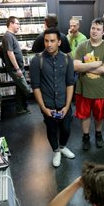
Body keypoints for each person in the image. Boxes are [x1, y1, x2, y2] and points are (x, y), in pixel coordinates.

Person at [30, 28, 76, 168]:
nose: (49, 44)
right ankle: (56, 151)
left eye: (52, 41)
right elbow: (36, 87)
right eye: (46, 41)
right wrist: (44, 108)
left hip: (64, 103)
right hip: (48, 104)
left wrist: (67, 106)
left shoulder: (67, 59)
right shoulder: (37, 61)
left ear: (59, 42)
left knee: (66, 129)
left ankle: (62, 146)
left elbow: (70, 84)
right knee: (51, 130)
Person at [74, 18, 104, 150]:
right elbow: (75, 66)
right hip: (83, 89)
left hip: (99, 90)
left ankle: (98, 135)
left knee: (99, 116)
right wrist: (95, 64)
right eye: (93, 28)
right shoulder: (82, 46)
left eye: (98, 29)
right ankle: (85, 137)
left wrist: (85, 66)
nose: (94, 31)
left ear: (103, 32)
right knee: (84, 116)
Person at [2, 16, 31, 115]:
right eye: (17, 23)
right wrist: (17, 68)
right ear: (11, 23)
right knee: (26, 89)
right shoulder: (8, 36)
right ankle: (27, 106)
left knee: (20, 90)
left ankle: (21, 108)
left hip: (18, 68)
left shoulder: (11, 35)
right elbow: (10, 53)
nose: (19, 26)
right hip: (16, 69)